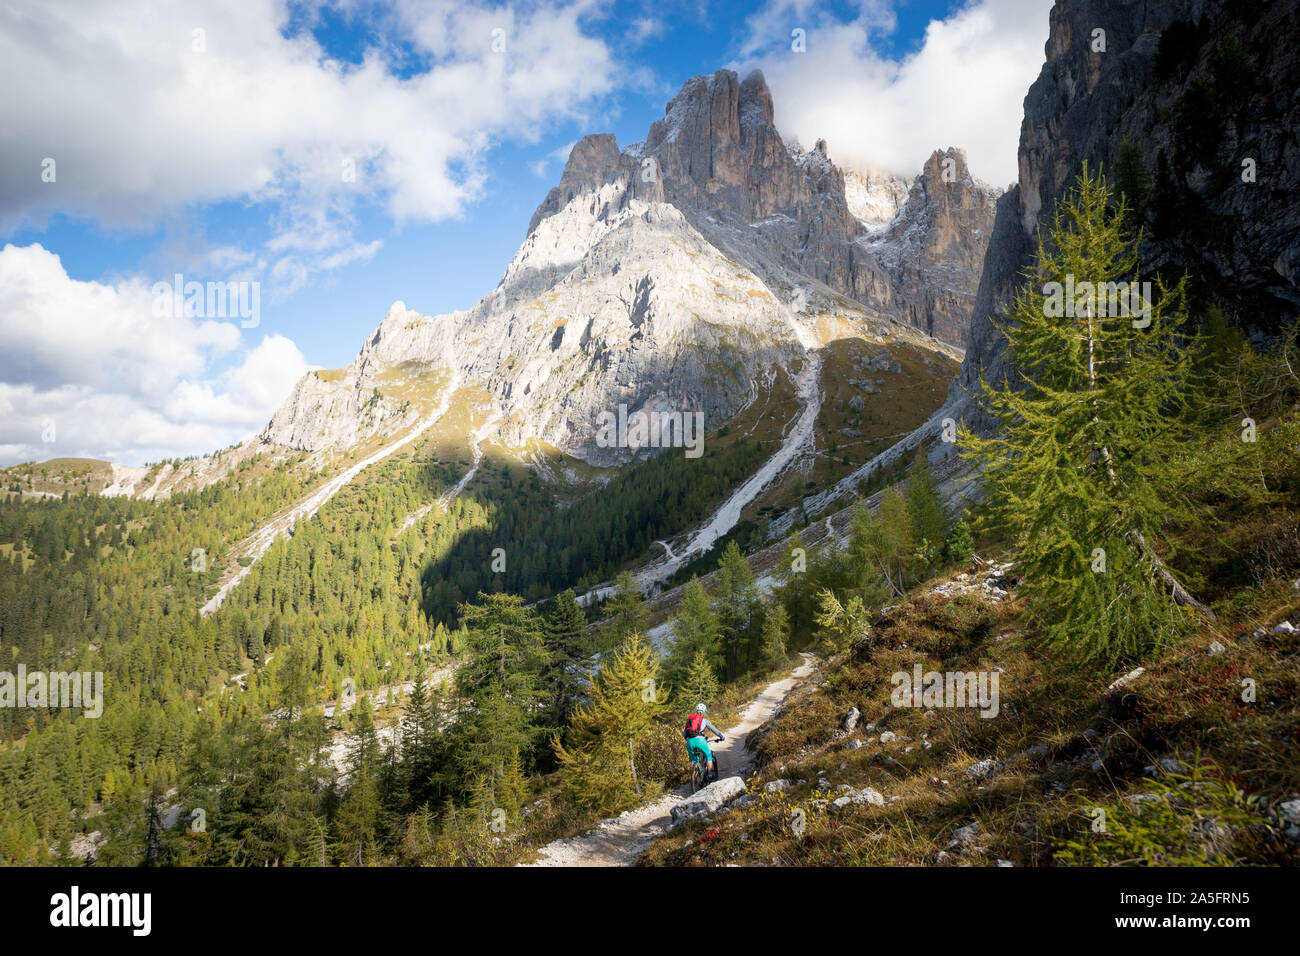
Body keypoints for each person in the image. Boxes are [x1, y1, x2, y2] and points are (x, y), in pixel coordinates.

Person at [682, 703, 725, 782]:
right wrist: (721, 736)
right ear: (704, 712)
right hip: (701, 741)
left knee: (693, 760)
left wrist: (689, 740)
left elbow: (683, 734)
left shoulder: (690, 720)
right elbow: (714, 730)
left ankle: (694, 778)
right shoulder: (704, 720)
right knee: (708, 755)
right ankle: (709, 774)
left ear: (696, 711)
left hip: (689, 742)